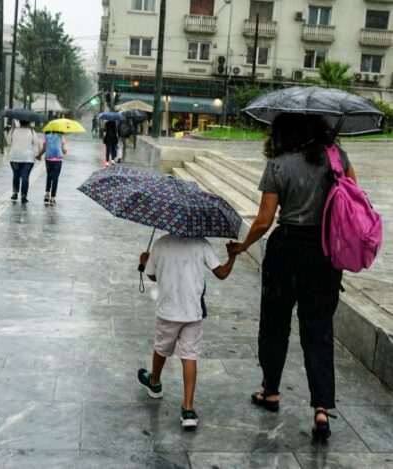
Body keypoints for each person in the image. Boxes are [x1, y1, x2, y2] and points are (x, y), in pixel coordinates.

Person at [227, 113, 357, 442]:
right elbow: (353, 200)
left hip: (286, 250)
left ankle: (271, 391)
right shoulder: (337, 158)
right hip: (325, 253)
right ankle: (322, 410)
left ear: (285, 130)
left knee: (274, 324)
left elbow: (263, 220)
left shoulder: (279, 164)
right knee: (318, 330)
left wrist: (243, 246)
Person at [137, 234, 237, 429]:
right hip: (192, 312)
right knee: (190, 356)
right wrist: (233, 256)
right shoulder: (202, 244)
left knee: (161, 348)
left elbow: (153, 275)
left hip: (168, 311)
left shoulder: (160, 243)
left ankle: (155, 382)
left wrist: (145, 261)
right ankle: (188, 408)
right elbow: (222, 273)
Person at [6, 120, 43, 203]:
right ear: (29, 122)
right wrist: (38, 155)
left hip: (15, 156)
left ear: (20, 121)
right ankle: (23, 196)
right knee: (25, 177)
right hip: (28, 158)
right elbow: (37, 144)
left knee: (16, 175)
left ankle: (15, 193)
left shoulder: (13, 130)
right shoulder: (32, 132)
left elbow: (8, 142)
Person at [35, 131, 68, 205]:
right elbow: (64, 150)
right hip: (58, 159)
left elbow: (44, 149)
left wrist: (39, 156)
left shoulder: (46, 136)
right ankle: (52, 197)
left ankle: (47, 194)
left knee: (49, 176)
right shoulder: (61, 136)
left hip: (48, 158)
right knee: (55, 178)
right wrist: (65, 150)